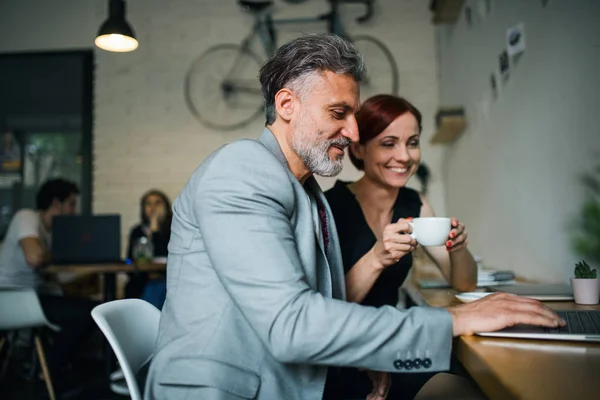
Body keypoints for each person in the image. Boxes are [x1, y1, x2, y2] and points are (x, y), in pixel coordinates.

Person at [144, 33, 564, 400]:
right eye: (338, 113)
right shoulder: (241, 169)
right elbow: (293, 325)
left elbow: (323, 308)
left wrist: (368, 354)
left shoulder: (307, 192)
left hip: (297, 378)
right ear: (287, 104)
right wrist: (458, 317)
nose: (355, 133)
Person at [324, 95, 477, 399]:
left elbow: (464, 283)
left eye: (413, 142)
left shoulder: (415, 203)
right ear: (358, 148)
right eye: (388, 143)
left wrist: (458, 248)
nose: (405, 156)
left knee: (466, 386)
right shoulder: (331, 207)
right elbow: (326, 309)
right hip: (342, 354)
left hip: (391, 342)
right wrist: (378, 257)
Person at [0, 178, 96, 389]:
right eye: (71, 203)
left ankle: (51, 370)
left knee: (90, 307)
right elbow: (34, 257)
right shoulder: (26, 217)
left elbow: (49, 271)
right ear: (55, 203)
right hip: (10, 300)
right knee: (86, 313)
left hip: (32, 296)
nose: (74, 210)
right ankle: (51, 374)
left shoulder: (51, 233)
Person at [125, 189, 172, 309]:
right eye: (148, 203)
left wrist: (155, 231)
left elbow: (163, 256)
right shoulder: (137, 231)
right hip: (142, 280)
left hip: (168, 279)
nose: (153, 207)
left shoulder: (174, 229)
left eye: (158, 203)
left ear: (166, 207)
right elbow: (129, 260)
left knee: (157, 287)